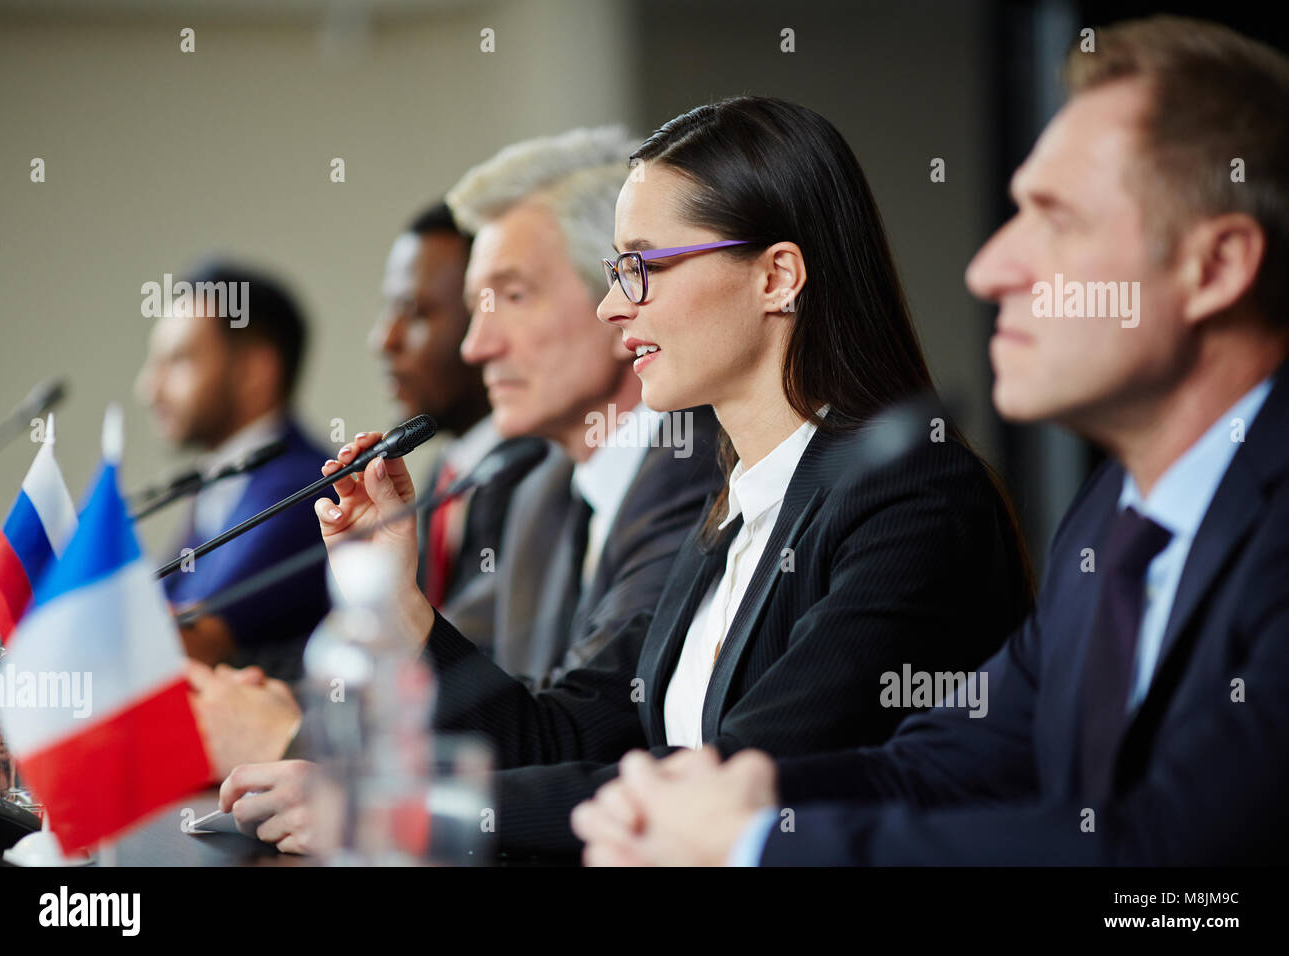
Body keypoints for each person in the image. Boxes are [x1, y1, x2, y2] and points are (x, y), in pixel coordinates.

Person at [220, 98, 1033, 858]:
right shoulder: (738, 500)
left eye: (642, 267)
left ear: (778, 277)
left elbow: (734, 788)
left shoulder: (913, 500)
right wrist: (400, 601)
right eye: (614, 270)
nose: (613, 307)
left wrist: (400, 810)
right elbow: (576, 737)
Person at [571, 15, 1289, 866]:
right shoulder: (1112, 519)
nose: (989, 269)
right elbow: (948, 763)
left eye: (1055, 220)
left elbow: (1177, 870)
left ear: (1216, 267)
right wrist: (745, 798)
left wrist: (757, 842)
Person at [137, 261, 330, 680]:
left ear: (254, 372)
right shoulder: (217, 483)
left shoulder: (303, 490)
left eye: (179, 361)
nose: (148, 388)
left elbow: (189, 645)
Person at [370, 200, 521, 653]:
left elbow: (471, 653)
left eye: (414, 312)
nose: (384, 338)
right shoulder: (446, 473)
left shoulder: (534, 473)